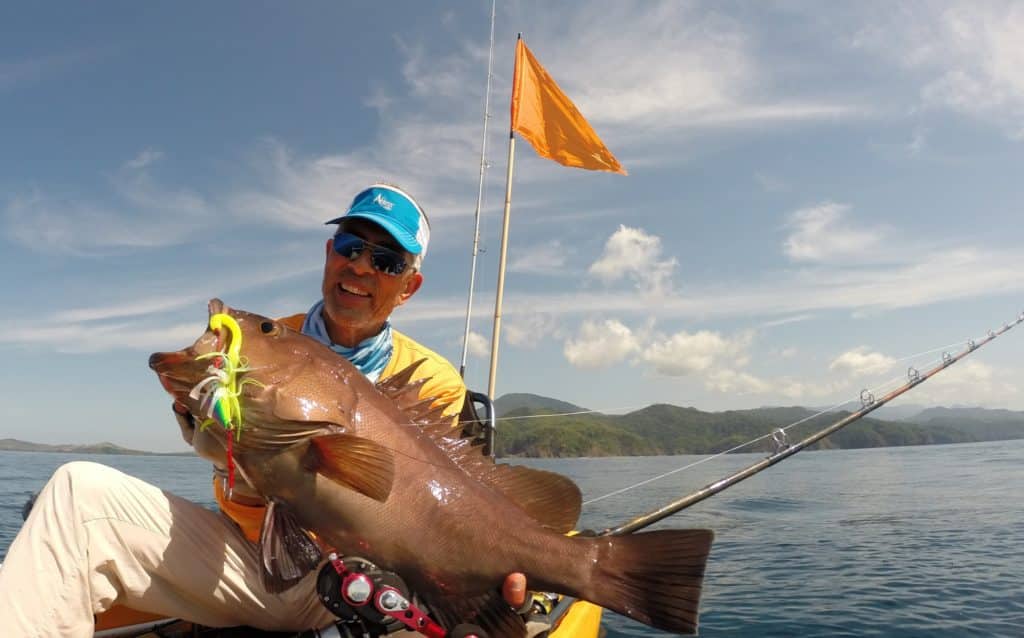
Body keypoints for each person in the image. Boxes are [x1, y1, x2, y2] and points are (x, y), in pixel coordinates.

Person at [0, 183, 527, 637]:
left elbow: (414, 511)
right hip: (246, 561)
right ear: (329, 251)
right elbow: (231, 465)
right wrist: (202, 427)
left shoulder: (431, 378)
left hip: (349, 581)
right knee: (76, 494)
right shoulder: (268, 339)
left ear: (409, 286)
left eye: (385, 261)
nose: (359, 267)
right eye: (350, 245)